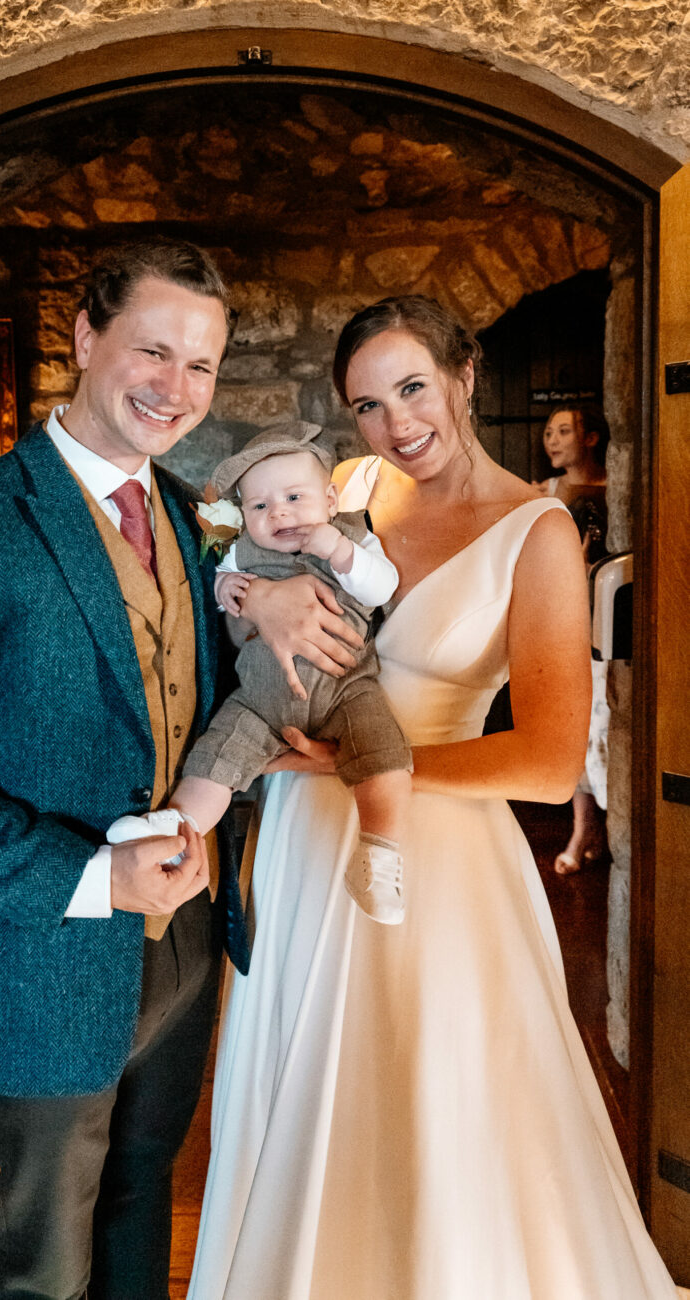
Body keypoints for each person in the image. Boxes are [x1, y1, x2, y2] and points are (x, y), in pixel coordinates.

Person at [187, 296, 677, 1298]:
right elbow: (244, 557)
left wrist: (348, 767)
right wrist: (263, 594)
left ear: (463, 372)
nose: (397, 424)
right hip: (300, 841)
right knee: (306, 1093)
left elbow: (545, 764)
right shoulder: (355, 488)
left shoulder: (537, 531)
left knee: (432, 1102)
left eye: (413, 387)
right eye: (366, 405)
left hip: (437, 859)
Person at [0, 238, 267, 1300]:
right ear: (87, 339)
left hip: (185, 951)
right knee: (42, 1256)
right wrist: (95, 879)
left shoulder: (196, 516)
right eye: (153, 351)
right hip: (45, 954)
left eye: (202, 365)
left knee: (140, 1203)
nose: (178, 388)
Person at [165, 419, 412, 925]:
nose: (279, 512)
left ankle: (379, 852)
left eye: (295, 498)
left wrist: (337, 551)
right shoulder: (241, 550)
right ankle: (175, 836)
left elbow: (382, 588)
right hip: (260, 701)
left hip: (348, 691)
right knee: (213, 763)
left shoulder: (353, 539)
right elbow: (217, 586)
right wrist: (229, 590)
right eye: (259, 506)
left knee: (386, 759)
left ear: (329, 498)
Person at [537, 403, 611, 874]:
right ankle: (584, 829)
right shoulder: (542, 492)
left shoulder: (620, 484)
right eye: (548, 432)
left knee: (606, 727)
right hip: (565, 623)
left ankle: (611, 825)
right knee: (580, 726)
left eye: (563, 430)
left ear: (591, 438)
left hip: (607, 620)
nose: (552, 440)